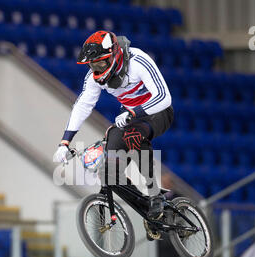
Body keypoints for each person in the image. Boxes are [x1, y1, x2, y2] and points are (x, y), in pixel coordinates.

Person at [53, 30, 174, 218]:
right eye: (92, 65)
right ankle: (147, 210)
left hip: (157, 112)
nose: (97, 69)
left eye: (100, 62)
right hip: (130, 117)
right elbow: (83, 106)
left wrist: (134, 112)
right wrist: (65, 142)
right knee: (108, 173)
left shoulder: (137, 60)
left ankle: (154, 193)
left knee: (133, 134)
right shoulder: (94, 77)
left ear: (114, 55)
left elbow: (164, 98)